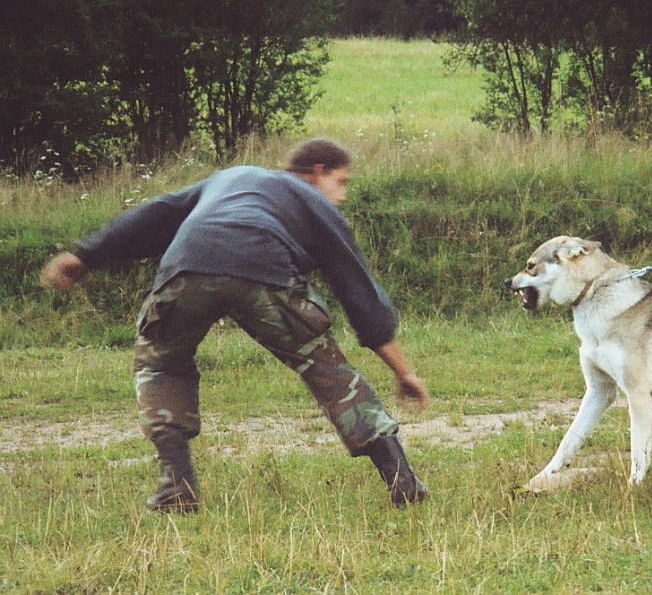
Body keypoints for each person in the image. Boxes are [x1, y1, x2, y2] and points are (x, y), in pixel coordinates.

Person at [40, 139, 430, 511]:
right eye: (341, 182)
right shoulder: (313, 200)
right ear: (317, 170)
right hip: (266, 273)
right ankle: (402, 481)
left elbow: (153, 215)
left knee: (161, 366)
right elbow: (359, 290)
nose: (342, 195)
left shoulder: (231, 176)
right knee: (326, 368)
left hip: (187, 268)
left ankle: (176, 484)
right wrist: (404, 372)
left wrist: (85, 256)